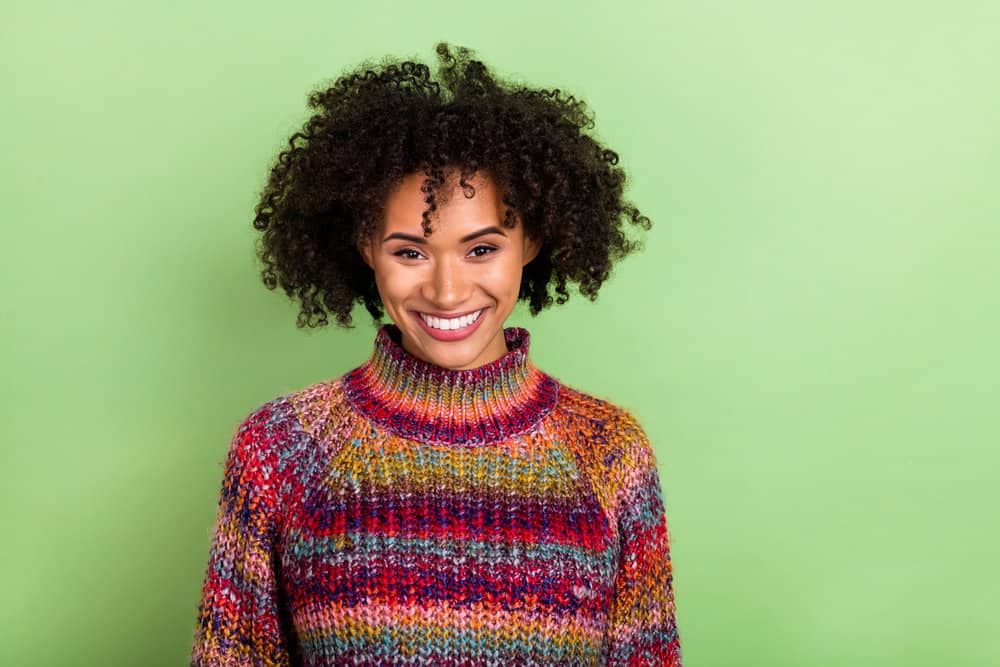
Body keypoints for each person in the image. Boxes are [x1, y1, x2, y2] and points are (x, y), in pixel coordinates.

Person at [189, 42, 682, 666]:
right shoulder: (280, 451)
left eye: (481, 249)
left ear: (531, 240)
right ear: (366, 246)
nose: (447, 291)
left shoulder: (608, 452)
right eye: (410, 252)